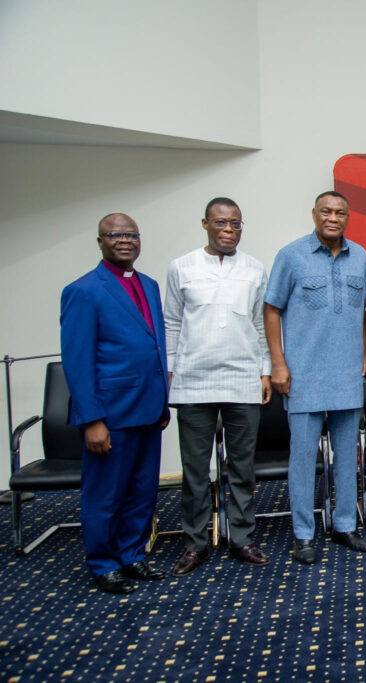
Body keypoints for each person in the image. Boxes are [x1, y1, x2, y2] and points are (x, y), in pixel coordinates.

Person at [60, 213, 170, 593]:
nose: (124, 240)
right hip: (110, 413)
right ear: (100, 241)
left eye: (131, 234)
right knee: (105, 492)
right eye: (114, 235)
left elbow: (156, 346)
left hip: (148, 409)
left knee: (142, 490)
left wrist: (163, 403)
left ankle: (133, 555)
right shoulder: (84, 290)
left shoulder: (149, 285)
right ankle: (103, 563)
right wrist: (91, 419)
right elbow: (77, 360)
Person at [164, 197, 273, 576]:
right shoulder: (181, 268)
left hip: (242, 379)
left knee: (242, 468)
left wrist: (264, 371)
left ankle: (241, 538)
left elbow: (260, 326)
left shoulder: (255, 269)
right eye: (221, 223)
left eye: (235, 224)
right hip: (194, 382)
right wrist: (170, 372)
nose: (228, 230)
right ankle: (196, 543)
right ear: (205, 224)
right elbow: (172, 324)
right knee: (196, 471)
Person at [264, 191, 366, 564]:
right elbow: (271, 309)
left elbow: (364, 313)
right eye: (326, 211)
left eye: (340, 212)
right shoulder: (290, 255)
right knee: (304, 457)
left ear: (347, 216)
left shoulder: (360, 256)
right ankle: (303, 534)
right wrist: (278, 363)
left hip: (346, 374)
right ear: (314, 214)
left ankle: (344, 525)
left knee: (347, 457)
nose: (333, 217)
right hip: (304, 375)